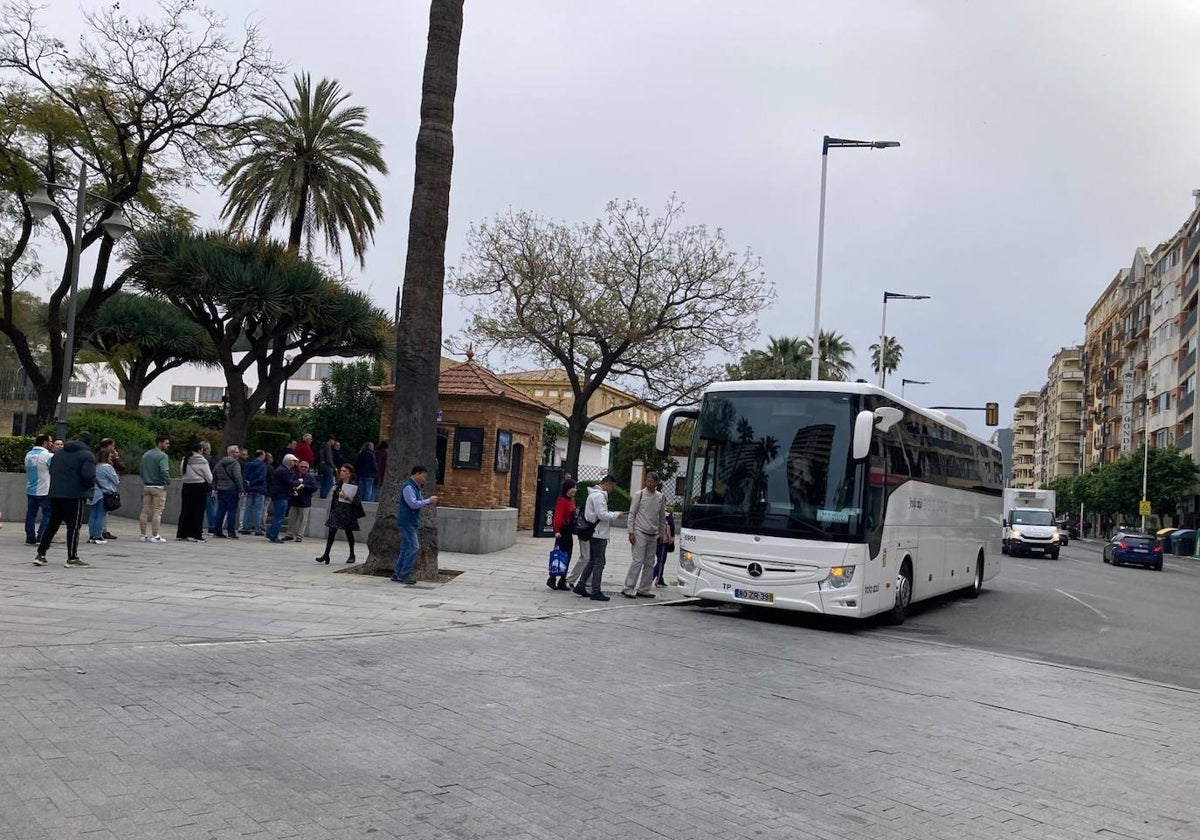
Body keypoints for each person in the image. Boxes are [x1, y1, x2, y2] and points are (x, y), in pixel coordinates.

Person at [34, 431, 96, 568]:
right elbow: (88, 477)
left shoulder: (59, 454)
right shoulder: (87, 456)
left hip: (56, 493)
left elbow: (52, 471)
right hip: (75, 494)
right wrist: (88, 487)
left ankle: (41, 554)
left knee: (52, 524)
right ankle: (72, 557)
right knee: (73, 527)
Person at [571, 475, 622, 601]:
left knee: (592, 561)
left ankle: (581, 584)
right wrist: (616, 514)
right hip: (599, 533)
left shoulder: (592, 495)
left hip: (594, 532)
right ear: (608, 484)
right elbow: (602, 514)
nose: (611, 490)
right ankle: (595, 590)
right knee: (599, 562)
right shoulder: (599, 496)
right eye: (612, 487)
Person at [621, 471, 668, 599]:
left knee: (649, 562)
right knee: (638, 560)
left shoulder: (660, 497)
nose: (649, 483)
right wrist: (631, 531)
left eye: (652, 481)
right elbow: (632, 513)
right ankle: (628, 587)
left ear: (656, 483)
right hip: (639, 530)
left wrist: (662, 533)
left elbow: (662, 517)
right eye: (647, 481)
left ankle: (644, 589)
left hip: (653, 534)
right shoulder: (639, 495)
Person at [391, 465, 439, 584]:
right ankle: (404, 574)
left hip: (410, 521)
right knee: (413, 548)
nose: (424, 479)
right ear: (417, 474)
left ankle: (397, 573)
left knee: (405, 548)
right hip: (407, 521)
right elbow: (412, 504)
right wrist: (428, 501)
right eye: (423, 476)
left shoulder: (415, 487)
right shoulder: (408, 487)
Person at [315, 464, 365, 564]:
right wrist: (334, 492)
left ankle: (352, 554)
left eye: (344, 471)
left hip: (348, 513)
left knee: (349, 533)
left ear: (349, 473)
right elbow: (335, 500)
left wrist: (346, 497)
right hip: (337, 511)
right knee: (331, 532)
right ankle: (326, 554)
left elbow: (357, 501)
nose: (342, 473)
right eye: (341, 470)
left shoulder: (353, 485)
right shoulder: (338, 484)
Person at [176, 443, 212, 542]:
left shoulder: (185, 459)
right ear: (200, 450)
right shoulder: (202, 460)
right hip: (199, 487)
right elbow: (209, 477)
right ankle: (197, 535)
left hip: (186, 486)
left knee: (185, 510)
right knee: (198, 512)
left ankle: (182, 534)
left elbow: (182, 473)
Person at [139, 435, 171, 543]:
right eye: (166, 443)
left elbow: (142, 470)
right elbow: (164, 471)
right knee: (157, 511)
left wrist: (145, 479)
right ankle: (155, 535)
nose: (168, 445)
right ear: (160, 443)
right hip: (158, 486)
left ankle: (143, 534)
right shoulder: (162, 456)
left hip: (147, 485)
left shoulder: (146, 455)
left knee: (145, 511)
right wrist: (167, 481)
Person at [23, 433, 53, 546]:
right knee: (48, 513)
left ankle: (30, 537)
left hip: (31, 489)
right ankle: (42, 535)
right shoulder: (47, 456)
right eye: (50, 441)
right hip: (44, 489)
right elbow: (54, 469)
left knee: (30, 514)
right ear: (45, 443)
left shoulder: (29, 454)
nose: (51, 443)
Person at [87, 446, 120, 545]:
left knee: (93, 514)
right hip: (104, 493)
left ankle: (92, 535)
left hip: (94, 493)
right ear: (106, 457)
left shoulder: (95, 467)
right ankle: (98, 536)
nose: (111, 458)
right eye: (110, 456)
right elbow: (116, 481)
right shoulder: (107, 467)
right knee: (101, 515)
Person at [549, 479, 577, 590]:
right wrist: (556, 531)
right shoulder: (562, 501)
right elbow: (558, 516)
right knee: (560, 556)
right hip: (563, 532)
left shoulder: (570, 501)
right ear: (567, 488)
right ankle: (552, 579)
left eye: (575, 487)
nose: (574, 490)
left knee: (567, 557)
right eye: (572, 487)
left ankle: (562, 580)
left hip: (569, 532)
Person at [212, 444, 244, 538]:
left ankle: (217, 531)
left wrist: (215, 487)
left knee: (220, 511)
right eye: (237, 452)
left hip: (221, 489)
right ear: (232, 453)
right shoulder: (235, 463)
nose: (238, 454)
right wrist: (241, 489)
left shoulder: (220, 463)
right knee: (232, 511)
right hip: (232, 490)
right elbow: (238, 477)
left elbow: (214, 475)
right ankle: (231, 532)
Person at [267, 454, 298, 543]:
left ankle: (270, 533)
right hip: (281, 495)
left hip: (279, 495)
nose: (295, 463)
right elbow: (290, 483)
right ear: (288, 461)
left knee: (277, 516)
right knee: (279, 517)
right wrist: (298, 482)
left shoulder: (282, 469)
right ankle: (273, 536)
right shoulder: (283, 471)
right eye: (293, 461)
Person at [286, 460, 318, 542]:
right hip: (294, 501)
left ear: (308, 468)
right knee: (291, 519)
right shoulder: (294, 475)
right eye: (301, 466)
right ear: (299, 467)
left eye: (305, 467)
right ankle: (289, 534)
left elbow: (314, 488)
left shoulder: (311, 477)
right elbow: (289, 484)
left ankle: (300, 535)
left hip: (305, 502)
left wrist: (305, 486)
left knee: (303, 520)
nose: (303, 468)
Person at [239, 450, 268, 535]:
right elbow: (262, 478)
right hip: (259, 489)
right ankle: (257, 529)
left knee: (247, 509)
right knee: (258, 510)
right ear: (261, 456)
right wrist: (254, 483)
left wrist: (247, 486)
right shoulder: (263, 465)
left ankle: (245, 528)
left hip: (249, 489)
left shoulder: (248, 464)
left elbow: (244, 476)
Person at [653, 506, 677, 588]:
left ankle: (660, 579)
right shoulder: (667, 514)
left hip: (653, 539)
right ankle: (651, 578)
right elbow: (672, 528)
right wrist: (672, 539)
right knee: (661, 561)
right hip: (663, 541)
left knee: (659, 560)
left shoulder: (653, 511)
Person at [199, 440, 218, 535]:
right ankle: (212, 526)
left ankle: (198, 526)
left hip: (198, 486)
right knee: (210, 508)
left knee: (199, 508)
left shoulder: (197, 458)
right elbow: (213, 474)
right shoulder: (210, 459)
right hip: (208, 486)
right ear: (206, 449)